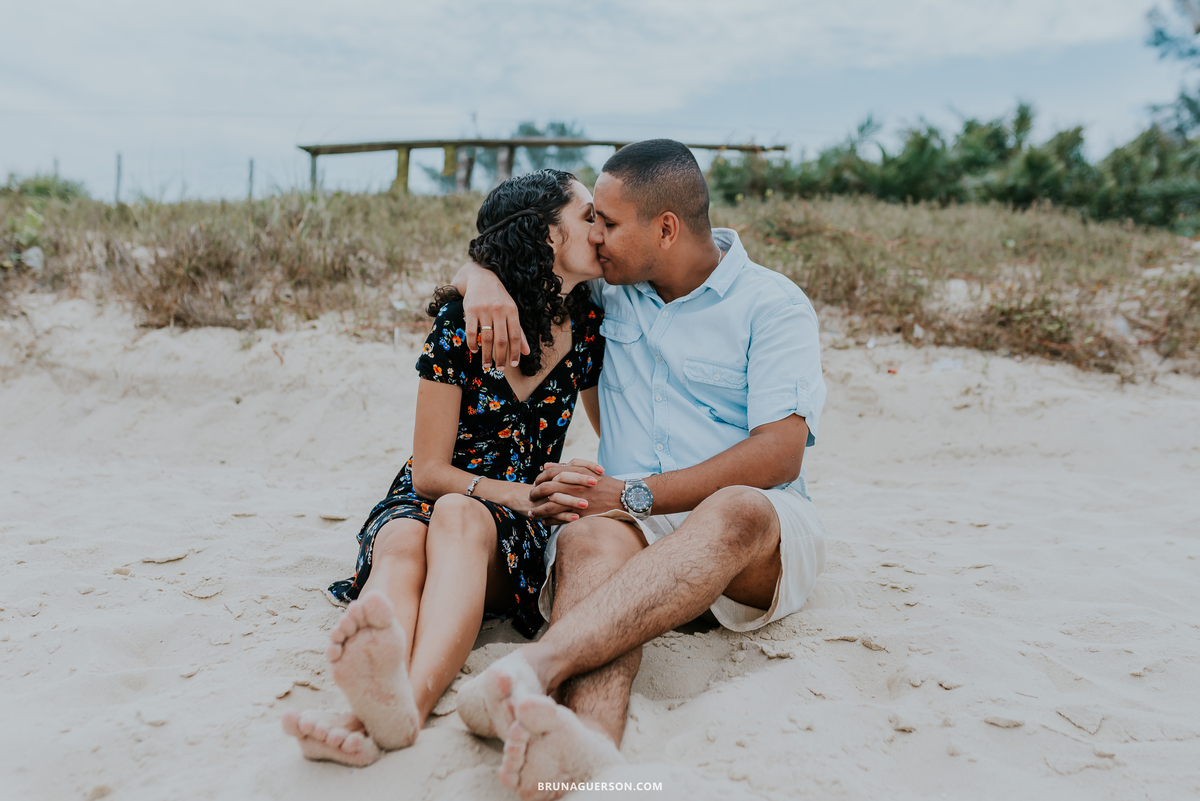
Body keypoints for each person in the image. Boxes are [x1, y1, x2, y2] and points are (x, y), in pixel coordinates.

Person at [451, 139, 829, 800]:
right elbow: (509, 259)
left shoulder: (773, 305)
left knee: (735, 507)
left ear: (666, 228)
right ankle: (577, 760)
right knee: (586, 540)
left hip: (751, 532)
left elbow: (779, 453)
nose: (594, 234)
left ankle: (536, 663)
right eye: (591, 219)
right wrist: (479, 275)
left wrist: (633, 492)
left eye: (607, 221)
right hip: (627, 525)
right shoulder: (609, 291)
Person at [281, 168, 607, 766]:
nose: (601, 226)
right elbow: (428, 472)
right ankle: (367, 703)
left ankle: (406, 706)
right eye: (588, 215)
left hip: (507, 527)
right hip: (437, 496)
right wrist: (515, 492)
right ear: (547, 235)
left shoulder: (589, 324)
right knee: (403, 539)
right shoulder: (463, 321)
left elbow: (616, 431)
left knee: (458, 516)